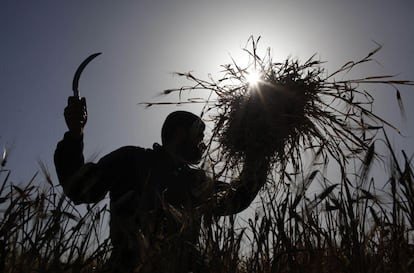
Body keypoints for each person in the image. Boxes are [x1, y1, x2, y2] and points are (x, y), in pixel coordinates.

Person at [54, 97, 269, 273]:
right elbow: (80, 189)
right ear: (179, 133)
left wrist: (259, 155)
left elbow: (235, 200)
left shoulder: (198, 180)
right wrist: (74, 135)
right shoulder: (131, 159)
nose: (203, 144)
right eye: (199, 136)